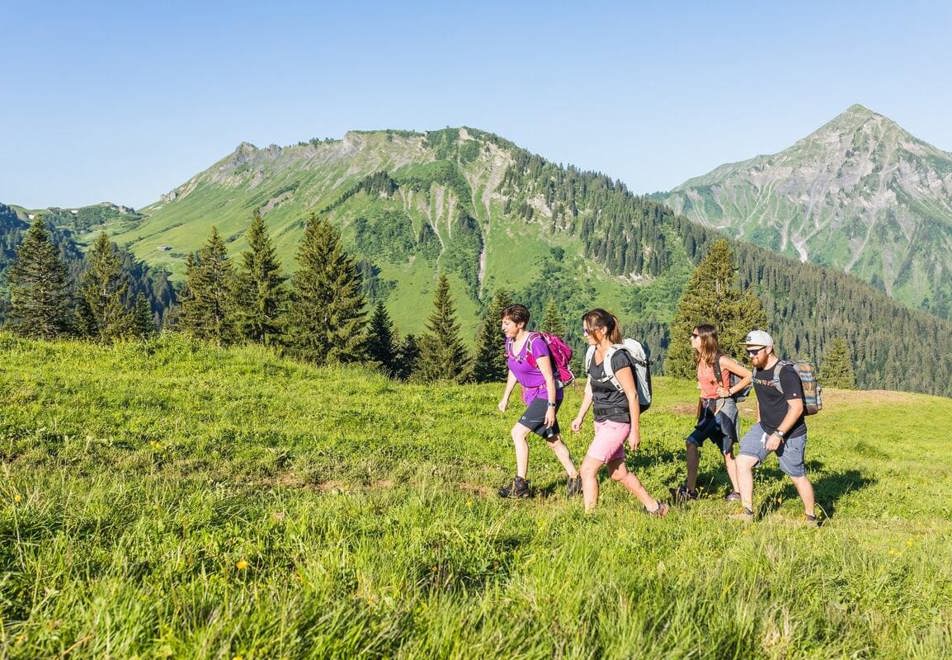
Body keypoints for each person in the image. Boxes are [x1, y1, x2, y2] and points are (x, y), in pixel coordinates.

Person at [570, 308, 668, 516]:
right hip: (601, 421)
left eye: (588, 330)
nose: (585, 334)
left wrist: (635, 431)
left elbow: (632, 395)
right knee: (618, 473)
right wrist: (580, 416)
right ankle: (655, 508)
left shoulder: (618, 358)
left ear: (603, 330)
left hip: (617, 422)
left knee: (587, 470)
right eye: (584, 330)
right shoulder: (592, 354)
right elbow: (591, 388)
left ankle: (590, 517)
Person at [733, 330, 817, 524]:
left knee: (797, 476)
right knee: (742, 462)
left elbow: (796, 409)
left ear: (769, 349)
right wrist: (759, 421)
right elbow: (762, 398)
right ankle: (747, 513)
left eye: (755, 351)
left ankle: (811, 518)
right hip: (765, 428)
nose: (751, 356)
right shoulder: (756, 369)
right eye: (749, 352)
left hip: (790, 434)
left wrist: (778, 434)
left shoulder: (786, 373)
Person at [497, 304, 581, 498]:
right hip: (532, 396)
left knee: (518, 433)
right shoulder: (509, 342)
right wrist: (505, 397)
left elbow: (549, 377)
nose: (503, 327)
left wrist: (551, 407)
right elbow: (513, 369)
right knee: (553, 440)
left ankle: (520, 485)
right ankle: (576, 478)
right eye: (503, 323)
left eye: (507, 323)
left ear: (520, 323)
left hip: (547, 395)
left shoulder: (535, 343)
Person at [673, 324, 752, 502]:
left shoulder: (721, 360)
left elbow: (749, 375)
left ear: (704, 339)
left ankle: (691, 491)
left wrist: (730, 391)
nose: (691, 338)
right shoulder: (700, 358)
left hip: (722, 409)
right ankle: (738, 492)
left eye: (694, 336)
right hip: (709, 409)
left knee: (693, 442)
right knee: (726, 452)